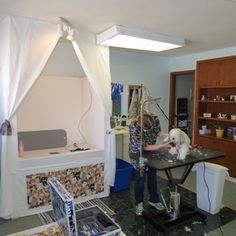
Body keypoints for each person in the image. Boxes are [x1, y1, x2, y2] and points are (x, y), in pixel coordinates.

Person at [129, 113, 171, 215]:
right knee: (140, 179)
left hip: (151, 152)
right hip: (138, 154)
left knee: (152, 177)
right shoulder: (134, 128)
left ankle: (154, 199)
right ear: (140, 124)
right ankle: (139, 203)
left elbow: (159, 133)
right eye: (147, 129)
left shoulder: (155, 118)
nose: (149, 131)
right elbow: (145, 147)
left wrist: (171, 136)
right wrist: (163, 146)